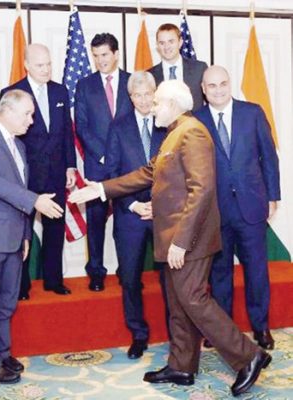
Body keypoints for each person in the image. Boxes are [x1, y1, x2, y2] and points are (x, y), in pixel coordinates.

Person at [69, 81, 271, 397]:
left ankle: (249, 355)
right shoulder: (174, 133)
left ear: (174, 104)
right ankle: (182, 366)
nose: (151, 107)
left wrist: (180, 241)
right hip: (175, 236)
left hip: (188, 239)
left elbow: (201, 191)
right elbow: (148, 173)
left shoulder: (192, 133)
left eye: (157, 103)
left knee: (193, 299)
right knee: (179, 303)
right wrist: (101, 189)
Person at [0, 90, 64, 384]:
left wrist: (24, 234)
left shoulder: (18, 146)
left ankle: (3, 352)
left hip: (12, 236)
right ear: (7, 111)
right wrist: (36, 201)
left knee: (7, 301)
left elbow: (16, 194)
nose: (31, 121)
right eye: (27, 114)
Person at [195, 65, 280, 349]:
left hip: (251, 207)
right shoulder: (195, 120)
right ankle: (222, 331)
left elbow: (269, 157)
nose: (218, 90)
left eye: (222, 84)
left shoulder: (252, 112)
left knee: (256, 270)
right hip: (215, 211)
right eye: (212, 86)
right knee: (219, 273)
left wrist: (273, 196)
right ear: (203, 90)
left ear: (229, 84)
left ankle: (261, 327)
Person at [0, 44, 76, 299]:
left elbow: (67, 131)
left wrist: (70, 165)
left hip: (56, 173)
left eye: (48, 64)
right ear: (27, 65)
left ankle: (53, 280)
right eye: (40, 65)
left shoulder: (60, 91)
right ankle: (21, 286)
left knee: (55, 228)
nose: (46, 69)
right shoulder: (11, 93)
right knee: (22, 230)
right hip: (26, 175)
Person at [105, 71, 167, 359]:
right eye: (137, 95)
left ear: (155, 93)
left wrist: (159, 204)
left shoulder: (168, 124)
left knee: (172, 277)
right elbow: (113, 174)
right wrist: (132, 205)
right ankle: (138, 335)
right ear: (130, 98)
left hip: (163, 214)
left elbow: (177, 171)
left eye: (147, 94)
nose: (143, 100)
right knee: (129, 278)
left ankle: (176, 332)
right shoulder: (118, 127)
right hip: (129, 215)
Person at [75, 32, 133, 292]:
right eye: (96, 56)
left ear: (116, 54)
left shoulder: (133, 82)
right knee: (96, 222)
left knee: (126, 222)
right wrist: (103, 155)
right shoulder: (84, 85)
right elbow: (82, 127)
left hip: (127, 167)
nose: (101, 61)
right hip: (97, 166)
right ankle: (96, 271)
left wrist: (119, 157)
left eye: (105, 55)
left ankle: (127, 270)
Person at [149, 23, 207, 111]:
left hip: (194, 124)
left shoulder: (199, 69)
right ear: (157, 45)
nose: (166, 47)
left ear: (180, 42)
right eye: (162, 43)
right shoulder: (150, 75)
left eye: (171, 41)